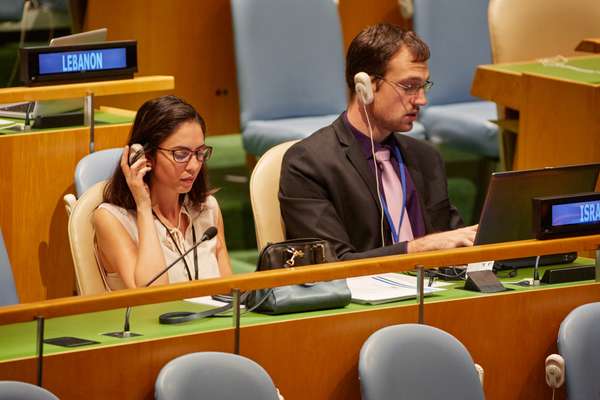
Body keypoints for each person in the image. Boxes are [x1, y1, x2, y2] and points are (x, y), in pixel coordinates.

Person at [279, 24, 477, 260]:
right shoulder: (308, 163)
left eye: (423, 85)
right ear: (366, 86)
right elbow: (332, 264)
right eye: (409, 86)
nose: (421, 100)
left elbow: (452, 239)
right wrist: (418, 248)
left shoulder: (426, 158)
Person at [93, 95, 232, 290]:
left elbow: (229, 294)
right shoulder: (111, 219)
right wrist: (143, 205)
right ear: (146, 156)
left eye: (200, 153)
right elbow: (150, 294)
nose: (194, 166)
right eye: (181, 154)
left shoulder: (207, 209)